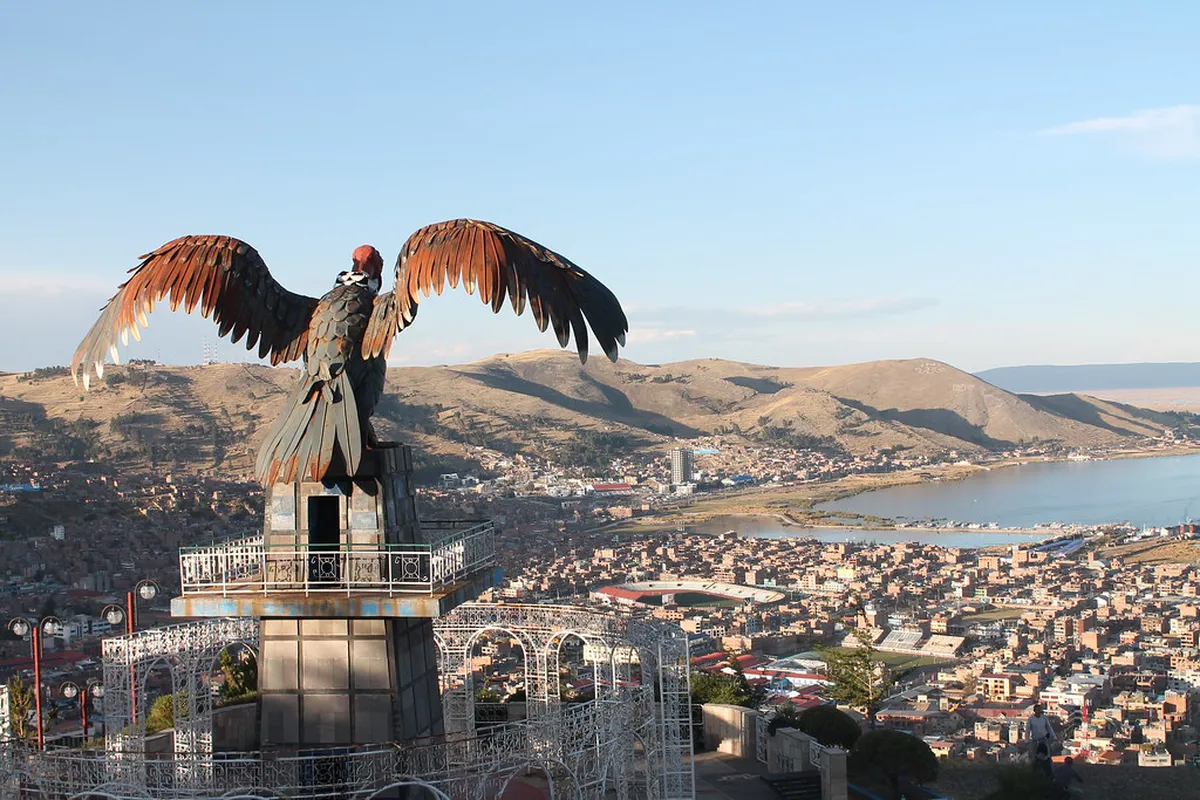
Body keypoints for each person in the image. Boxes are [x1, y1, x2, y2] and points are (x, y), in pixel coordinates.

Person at [1027, 704, 1056, 778]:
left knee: (1047, 755)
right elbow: (1028, 730)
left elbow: (1049, 727)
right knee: (1035, 756)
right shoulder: (1031, 719)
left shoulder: (1044, 718)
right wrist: (1026, 740)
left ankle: (1050, 771)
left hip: (1044, 738)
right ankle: (1034, 772)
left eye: (1040, 709)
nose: (1039, 711)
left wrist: (1054, 736)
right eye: (1038, 709)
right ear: (1034, 711)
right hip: (1035, 739)